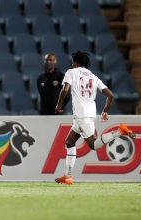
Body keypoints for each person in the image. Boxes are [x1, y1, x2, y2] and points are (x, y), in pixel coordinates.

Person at [54, 51, 135, 185]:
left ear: (76, 62)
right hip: (90, 113)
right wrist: (105, 111)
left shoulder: (71, 72)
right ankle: (68, 176)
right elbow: (110, 95)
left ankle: (119, 131)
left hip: (81, 114)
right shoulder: (93, 76)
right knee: (69, 142)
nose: (72, 63)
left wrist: (58, 105)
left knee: (93, 145)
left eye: (73, 61)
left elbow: (65, 89)